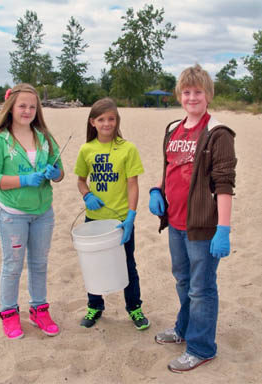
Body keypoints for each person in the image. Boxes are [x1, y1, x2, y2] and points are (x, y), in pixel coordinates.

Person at [149, 64, 237, 372]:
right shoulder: (173, 128)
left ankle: (201, 348)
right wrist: (156, 190)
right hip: (175, 222)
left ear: (209, 95)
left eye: (198, 91)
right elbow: (169, 168)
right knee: (183, 280)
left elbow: (224, 184)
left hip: (202, 227)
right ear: (179, 95)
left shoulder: (218, 133)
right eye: (186, 92)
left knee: (202, 288)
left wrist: (223, 229)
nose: (191, 97)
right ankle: (184, 329)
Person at [0, 83, 64, 339]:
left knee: (39, 264)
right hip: (12, 215)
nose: (27, 111)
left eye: (32, 106)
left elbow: (60, 172)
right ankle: (9, 313)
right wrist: (23, 180)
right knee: (13, 265)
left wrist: (55, 173)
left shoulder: (45, 138)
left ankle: (39, 309)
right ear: (11, 108)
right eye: (22, 106)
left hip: (43, 213)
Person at [74, 97, 150, 331]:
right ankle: (95, 306)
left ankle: (134, 308)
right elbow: (80, 180)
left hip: (120, 220)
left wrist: (131, 216)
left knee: (128, 263)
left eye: (111, 119)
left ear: (117, 121)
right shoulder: (86, 149)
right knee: (92, 265)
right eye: (101, 119)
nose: (107, 123)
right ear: (92, 122)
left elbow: (133, 184)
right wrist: (87, 195)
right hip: (94, 220)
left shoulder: (128, 149)